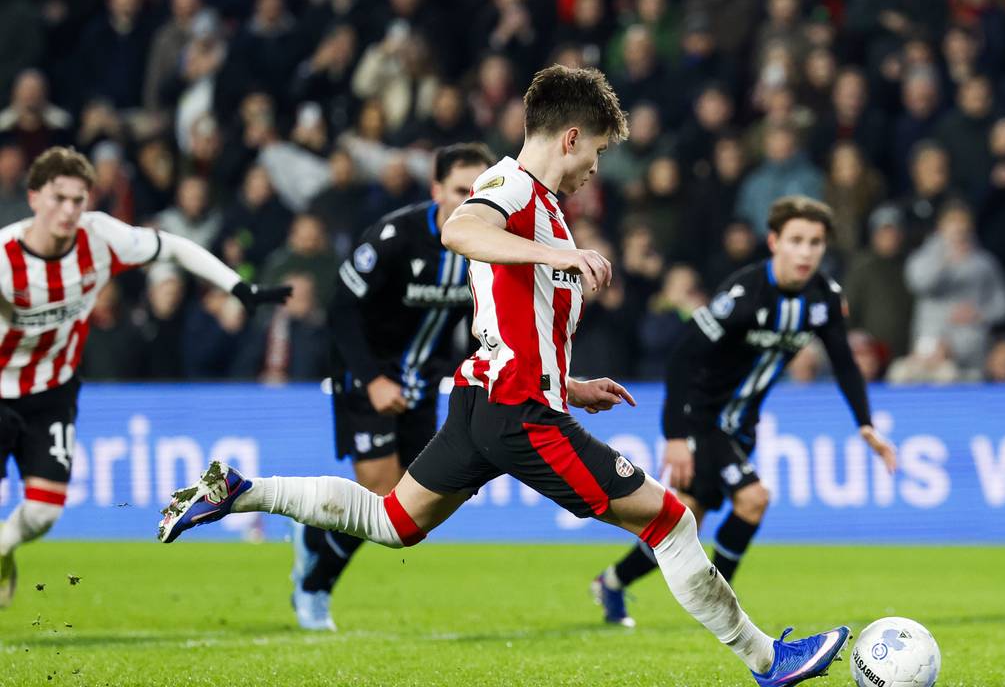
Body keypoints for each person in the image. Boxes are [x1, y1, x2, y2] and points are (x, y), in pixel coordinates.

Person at [158, 66, 850, 686]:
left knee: (395, 520)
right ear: (572, 137)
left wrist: (570, 383)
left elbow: (514, 317)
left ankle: (242, 491)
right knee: (670, 519)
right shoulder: (511, 184)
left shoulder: (543, 209)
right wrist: (566, 259)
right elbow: (460, 230)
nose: (598, 170)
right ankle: (769, 661)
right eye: (600, 152)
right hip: (516, 411)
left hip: (494, 397)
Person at [0, 146, 291, 607]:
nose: (70, 210)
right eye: (59, 198)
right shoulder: (3, 256)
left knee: (39, 515)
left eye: (79, 200)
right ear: (34, 197)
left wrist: (238, 286)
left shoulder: (98, 237)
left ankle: (4, 548)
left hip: (52, 393)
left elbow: (172, 245)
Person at [593, 196, 896, 627]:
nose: (806, 251)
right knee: (753, 499)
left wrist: (866, 424)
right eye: (796, 240)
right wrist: (676, 435)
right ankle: (719, 604)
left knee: (686, 520)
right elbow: (682, 359)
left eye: (815, 242)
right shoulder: (743, 296)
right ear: (774, 242)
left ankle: (612, 582)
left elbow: (844, 362)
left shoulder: (823, 297)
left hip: (742, 425)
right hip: (704, 418)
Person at [290, 142, 493, 630]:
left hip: (422, 383)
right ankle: (314, 589)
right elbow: (341, 308)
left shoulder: (490, 246)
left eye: (481, 191)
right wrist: (373, 379)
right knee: (381, 491)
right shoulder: (394, 236)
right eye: (460, 190)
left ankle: (316, 538)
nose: (471, 201)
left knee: (411, 511)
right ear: (436, 190)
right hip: (368, 375)